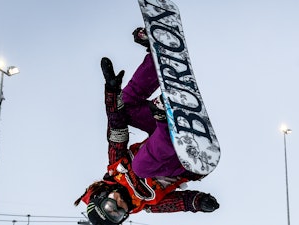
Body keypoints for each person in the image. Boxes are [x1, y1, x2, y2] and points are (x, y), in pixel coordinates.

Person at [74, 28, 219, 225]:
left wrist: (112, 91)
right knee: (141, 167)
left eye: (110, 206)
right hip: (186, 159)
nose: (119, 205)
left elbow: (117, 129)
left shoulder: (116, 167)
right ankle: (163, 117)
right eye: (118, 214)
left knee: (126, 106)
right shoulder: (149, 203)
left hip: (165, 134)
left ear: (103, 195)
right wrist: (200, 202)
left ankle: (157, 59)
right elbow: (181, 202)